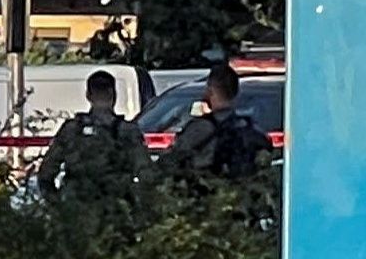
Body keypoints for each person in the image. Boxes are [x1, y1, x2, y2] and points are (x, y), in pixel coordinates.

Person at [37, 69, 142, 201]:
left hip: (76, 208)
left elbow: (46, 172)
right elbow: (146, 173)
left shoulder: (71, 130)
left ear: (88, 95)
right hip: (115, 208)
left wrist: (57, 203)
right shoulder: (126, 131)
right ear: (113, 94)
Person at [161, 65, 271, 188]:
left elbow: (169, 163)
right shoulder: (250, 130)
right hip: (240, 198)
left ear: (210, 91)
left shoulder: (200, 129)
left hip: (207, 199)